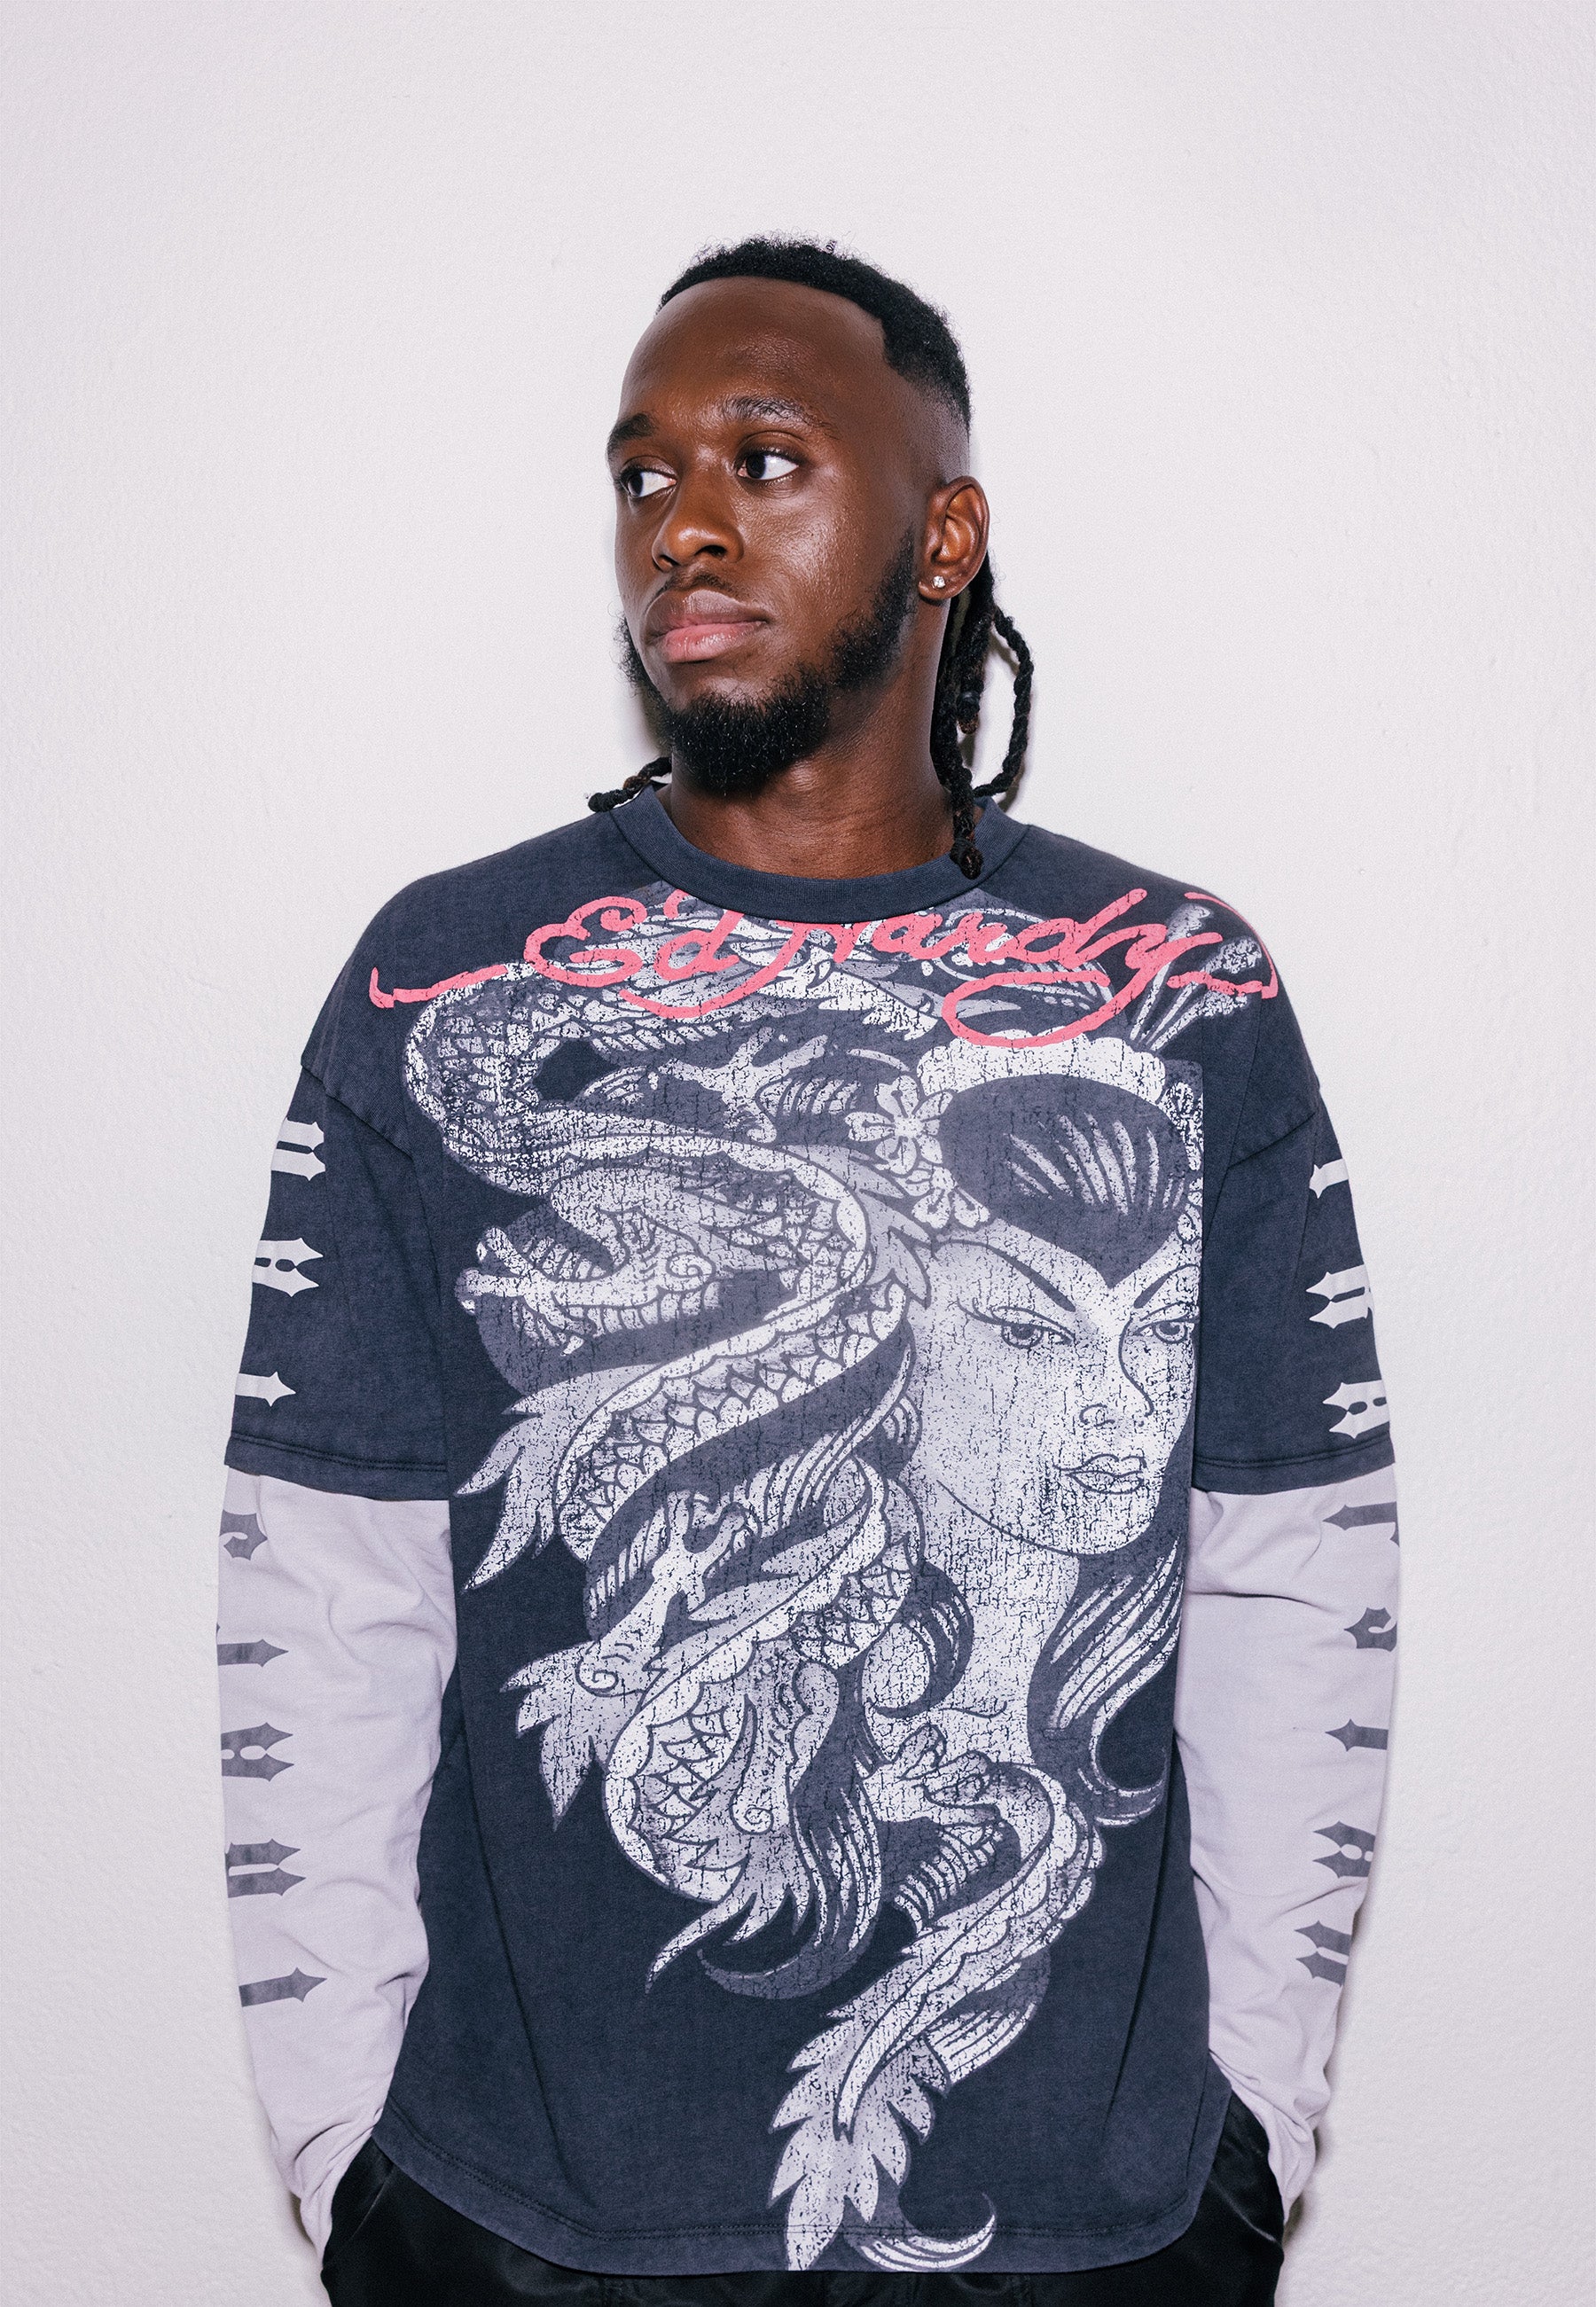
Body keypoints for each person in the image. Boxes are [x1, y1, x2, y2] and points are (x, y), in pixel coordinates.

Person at [218, 240, 1397, 2305]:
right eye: (642, 471)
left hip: (1090, 2226)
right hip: (527, 2224)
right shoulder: (441, 977)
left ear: (943, 536)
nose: (684, 520)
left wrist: (1250, 2125)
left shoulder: (1183, 988)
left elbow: (1298, 1559)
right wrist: (348, 2151)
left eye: (764, 459)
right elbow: (325, 1572)